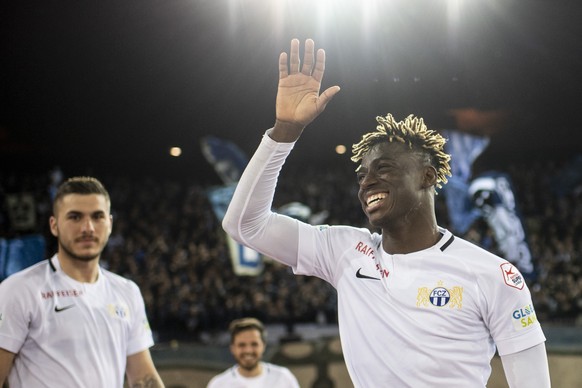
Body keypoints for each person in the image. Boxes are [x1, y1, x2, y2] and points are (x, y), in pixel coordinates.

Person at [222, 38, 551, 387]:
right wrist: (284, 133)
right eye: (362, 175)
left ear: (427, 176)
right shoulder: (344, 252)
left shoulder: (492, 275)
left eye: (384, 169)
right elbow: (245, 224)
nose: (367, 183)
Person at [0, 177, 164, 387]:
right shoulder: (19, 290)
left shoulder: (127, 292)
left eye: (97, 217)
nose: (88, 228)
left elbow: (143, 377)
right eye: (75, 217)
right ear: (54, 225)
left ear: (110, 224)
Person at [206, 317, 300, 388]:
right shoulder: (218, 384)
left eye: (254, 344)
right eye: (242, 345)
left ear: (263, 346)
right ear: (232, 348)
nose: (248, 350)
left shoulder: (283, 378)